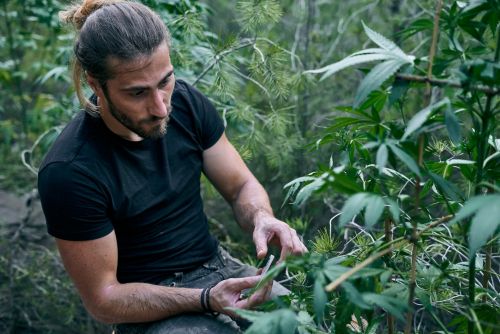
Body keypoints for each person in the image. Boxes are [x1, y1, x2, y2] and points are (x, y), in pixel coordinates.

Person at [37, 1, 307, 333]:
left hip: (219, 268)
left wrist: (262, 217)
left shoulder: (187, 103)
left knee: (305, 322)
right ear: (96, 85)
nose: (161, 107)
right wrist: (205, 298)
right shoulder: (70, 170)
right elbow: (104, 300)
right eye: (137, 93)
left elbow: (240, 187)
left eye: (165, 82)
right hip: (150, 306)